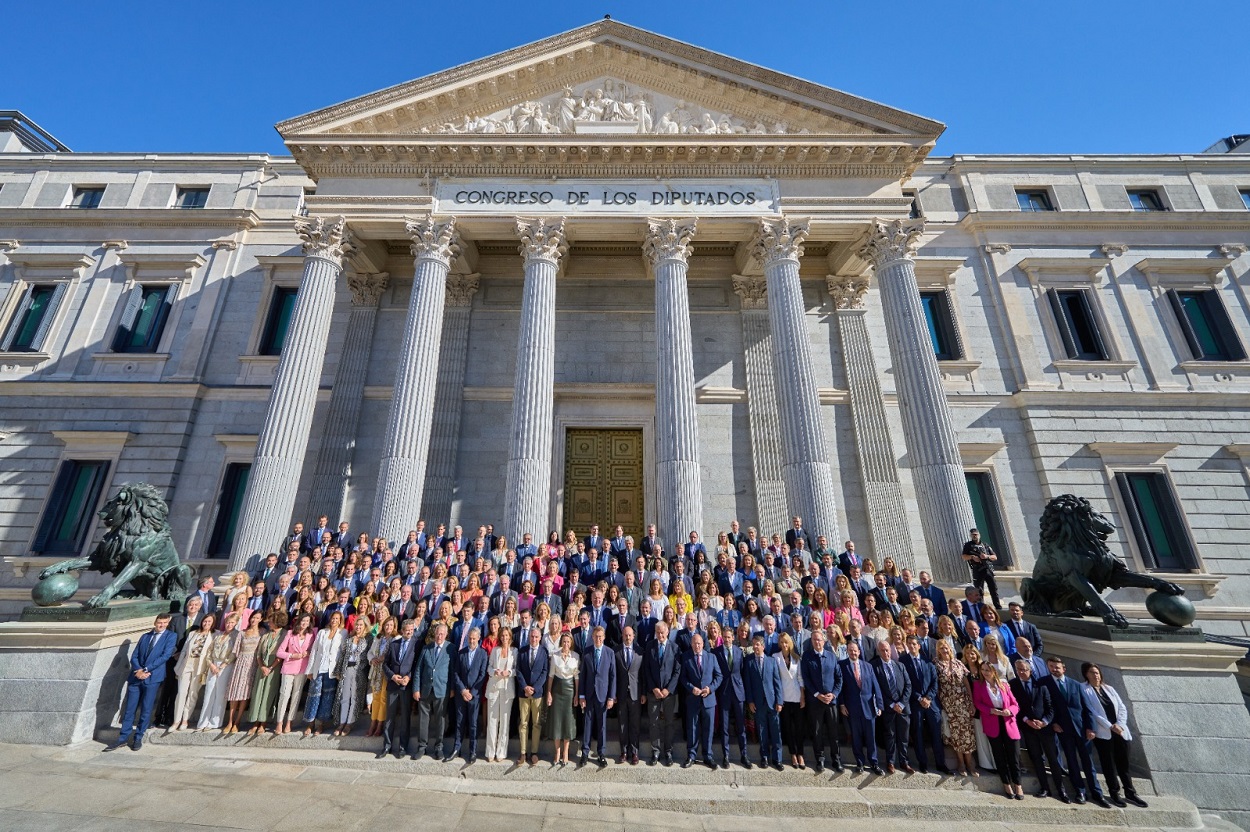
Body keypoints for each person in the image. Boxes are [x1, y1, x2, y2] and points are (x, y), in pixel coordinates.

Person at [105, 613, 177, 752]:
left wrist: (147, 669)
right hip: (136, 677)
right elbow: (135, 655)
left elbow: (165, 656)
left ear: (167, 623)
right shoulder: (145, 636)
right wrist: (138, 670)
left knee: (146, 708)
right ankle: (123, 737)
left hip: (152, 677)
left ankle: (138, 736)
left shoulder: (170, 636)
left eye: (164, 623)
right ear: (155, 622)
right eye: (159, 622)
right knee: (130, 708)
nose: (161, 625)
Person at [1081, 662, 1147, 808]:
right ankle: (1114, 793)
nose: (1095, 675)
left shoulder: (1109, 688)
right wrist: (1110, 726)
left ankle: (1130, 792)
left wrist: (1120, 724)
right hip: (1104, 733)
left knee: (1124, 764)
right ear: (1086, 674)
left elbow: (1122, 707)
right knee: (1109, 765)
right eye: (1092, 672)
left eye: (1097, 672)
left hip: (1120, 731)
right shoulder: (1084, 689)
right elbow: (1093, 712)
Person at [1042, 655, 1104, 806]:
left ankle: (1097, 793)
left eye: (1057, 667)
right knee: (1072, 761)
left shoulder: (1075, 685)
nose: (1054, 670)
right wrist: (1053, 723)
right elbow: (1045, 707)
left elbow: (1087, 708)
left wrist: (1091, 728)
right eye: (1051, 667)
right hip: (1063, 730)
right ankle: (1080, 791)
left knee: (1088, 763)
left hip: (1082, 729)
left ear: (1064, 668)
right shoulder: (1044, 683)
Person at [1010, 659, 1068, 802]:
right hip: (1028, 728)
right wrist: (1027, 721)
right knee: (1036, 758)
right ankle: (1045, 788)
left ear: (1030, 670)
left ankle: (1061, 790)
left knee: (1053, 759)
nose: (1021, 672)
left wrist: (1044, 722)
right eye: (1018, 670)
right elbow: (1015, 707)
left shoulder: (1041, 685)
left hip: (1045, 728)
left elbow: (1050, 707)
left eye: (1024, 669)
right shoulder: (1013, 685)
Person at [972, 662, 1023, 800]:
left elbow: (1015, 704)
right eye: (983, 670)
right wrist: (990, 710)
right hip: (992, 721)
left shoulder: (1004, 685)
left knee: (1014, 755)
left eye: (988, 670)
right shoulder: (978, 685)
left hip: (1008, 722)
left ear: (994, 671)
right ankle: (1006, 783)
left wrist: (1009, 711)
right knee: (999, 755)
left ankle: (1018, 784)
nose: (985, 672)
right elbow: (977, 703)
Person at [900, 634, 947, 774]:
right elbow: (905, 683)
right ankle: (923, 763)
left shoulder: (928, 661)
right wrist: (920, 698)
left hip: (931, 703)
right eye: (909, 644)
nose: (912, 646)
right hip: (915, 703)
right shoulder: (903, 661)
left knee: (936, 733)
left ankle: (940, 763)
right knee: (918, 733)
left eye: (914, 644)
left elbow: (934, 682)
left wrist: (928, 697)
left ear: (919, 646)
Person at [799, 628, 843, 773]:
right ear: (811, 642)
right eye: (814, 640)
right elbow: (806, 678)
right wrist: (817, 694)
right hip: (815, 701)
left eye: (819, 640)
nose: (817, 642)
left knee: (833, 731)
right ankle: (820, 759)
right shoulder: (807, 656)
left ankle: (836, 759)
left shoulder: (831, 656)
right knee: (817, 731)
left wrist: (834, 694)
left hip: (831, 701)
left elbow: (839, 678)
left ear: (824, 641)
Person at [934, 639, 977, 777]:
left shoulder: (959, 663)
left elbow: (966, 683)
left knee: (967, 734)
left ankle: (970, 763)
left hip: (963, 703)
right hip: (949, 705)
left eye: (946, 648)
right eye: (941, 648)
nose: (945, 650)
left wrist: (971, 702)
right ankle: (961, 763)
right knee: (956, 734)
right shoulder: (937, 664)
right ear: (938, 651)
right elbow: (938, 686)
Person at [839, 640, 882, 774]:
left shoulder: (868, 666)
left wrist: (879, 705)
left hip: (869, 707)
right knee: (856, 737)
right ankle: (860, 762)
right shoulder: (842, 665)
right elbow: (840, 687)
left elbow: (876, 686)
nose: (853, 652)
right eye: (850, 650)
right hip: (852, 708)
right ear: (847, 651)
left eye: (855, 650)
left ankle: (874, 763)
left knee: (871, 737)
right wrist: (841, 704)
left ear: (859, 651)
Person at [742, 632, 783, 770]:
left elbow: (777, 682)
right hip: (758, 702)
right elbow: (747, 683)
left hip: (772, 701)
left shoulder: (772, 661)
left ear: (763, 646)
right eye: (753, 645)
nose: (755, 647)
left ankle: (777, 759)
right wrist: (750, 701)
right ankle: (764, 756)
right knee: (762, 730)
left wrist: (779, 701)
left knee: (776, 731)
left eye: (757, 645)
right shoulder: (749, 661)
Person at [379, 617, 418, 759]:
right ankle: (387, 746)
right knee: (389, 717)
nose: (409, 633)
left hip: (406, 686)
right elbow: (385, 664)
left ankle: (403, 747)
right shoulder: (394, 644)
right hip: (393, 684)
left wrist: (408, 677)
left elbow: (417, 664)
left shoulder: (416, 644)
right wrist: (393, 676)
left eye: (411, 631)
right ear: (402, 630)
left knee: (405, 718)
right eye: (406, 630)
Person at [681, 632, 721, 769]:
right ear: (691, 644)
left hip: (708, 700)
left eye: (699, 643)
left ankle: (708, 756)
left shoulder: (711, 657)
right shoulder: (686, 657)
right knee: (692, 728)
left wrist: (710, 689)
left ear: (703, 644)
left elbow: (719, 676)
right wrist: (691, 688)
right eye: (694, 643)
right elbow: (683, 678)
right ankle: (691, 755)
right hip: (693, 699)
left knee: (708, 729)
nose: (697, 646)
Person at [578, 625, 616, 766]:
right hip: (588, 694)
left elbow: (613, 676)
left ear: (604, 637)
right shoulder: (587, 652)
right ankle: (585, 753)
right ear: (592, 637)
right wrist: (581, 695)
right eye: (596, 636)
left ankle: (601, 754)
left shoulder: (609, 653)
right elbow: (583, 676)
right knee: (587, 724)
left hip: (603, 695)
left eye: (600, 636)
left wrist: (611, 697)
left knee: (602, 726)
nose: (598, 639)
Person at [872, 639, 912, 773]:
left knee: (904, 736)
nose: (886, 653)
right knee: (890, 735)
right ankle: (890, 762)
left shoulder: (899, 666)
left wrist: (901, 703)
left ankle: (904, 761)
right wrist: (891, 704)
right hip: (888, 708)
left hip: (903, 707)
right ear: (879, 652)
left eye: (887, 650)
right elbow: (877, 688)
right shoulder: (875, 667)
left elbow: (908, 685)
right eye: (882, 650)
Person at [303, 610, 345, 736]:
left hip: (331, 671)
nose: (334, 621)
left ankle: (320, 725)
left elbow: (341, 654)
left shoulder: (343, 634)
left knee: (327, 698)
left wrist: (338, 671)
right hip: (318, 668)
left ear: (340, 621)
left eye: (337, 619)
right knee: (313, 695)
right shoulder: (322, 632)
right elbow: (315, 651)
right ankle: (310, 723)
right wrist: (309, 670)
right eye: (333, 618)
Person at [414, 622, 452, 760]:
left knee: (440, 720)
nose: (439, 636)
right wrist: (416, 689)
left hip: (442, 689)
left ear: (446, 635)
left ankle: (439, 747)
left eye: (442, 634)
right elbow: (418, 669)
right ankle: (422, 747)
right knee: (423, 719)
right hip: (425, 689)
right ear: (434, 634)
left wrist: (452, 689)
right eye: (437, 633)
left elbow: (453, 671)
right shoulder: (426, 648)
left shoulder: (450, 649)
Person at [644, 621, 681, 766]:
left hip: (669, 693)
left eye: (662, 632)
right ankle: (656, 751)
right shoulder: (650, 646)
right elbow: (646, 669)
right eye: (658, 632)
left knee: (669, 723)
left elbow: (677, 670)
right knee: (653, 723)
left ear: (667, 632)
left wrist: (668, 689)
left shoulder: (675, 647)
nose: (660, 635)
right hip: (654, 692)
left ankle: (668, 751)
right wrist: (654, 688)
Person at [712, 625, 749, 768]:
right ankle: (725, 755)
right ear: (722, 637)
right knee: (725, 727)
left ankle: (744, 755)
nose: (727, 639)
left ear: (733, 637)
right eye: (725, 637)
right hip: (724, 693)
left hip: (738, 692)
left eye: (729, 637)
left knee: (741, 726)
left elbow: (742, 672)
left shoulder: (739, 652)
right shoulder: (716, 652)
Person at [451, 626, 488, 763]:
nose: (471, 641)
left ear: (479, 638)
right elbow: (456, 673)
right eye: (470, 638)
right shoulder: (461, 653)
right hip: (462, 694)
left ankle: (473, 751)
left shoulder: (483, 654)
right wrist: (462, 690)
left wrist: (472, 692)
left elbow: (482, 674)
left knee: (473, 724)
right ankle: (457, 749)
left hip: (474, 694)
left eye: (474, 638)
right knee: (460, 722)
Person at [197, 612, 239, 731]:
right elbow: (209, 651)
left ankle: (214, 722)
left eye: (231, 622)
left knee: (220, 694)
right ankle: (203, 721)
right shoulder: (219, 635)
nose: (229, 625)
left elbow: (233, 653)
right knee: (209, 693)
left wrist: (222, 666)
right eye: (227, 622)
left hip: (226, 665)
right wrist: (211, 664)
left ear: (235, 623)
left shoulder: (236, 636)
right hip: (213, 664)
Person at [274, 613, 315, 735]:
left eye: (307, 621)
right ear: (299, 621)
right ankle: (279, 722)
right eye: (303, 620)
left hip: (302, 668)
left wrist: (308, 652)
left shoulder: (311, 635)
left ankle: (289, 721)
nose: (305, 623)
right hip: (288, 667)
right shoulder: (290, 634)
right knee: (284, 694)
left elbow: (314, 649)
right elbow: (279, 652)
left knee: (296, 695)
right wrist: (292, 655)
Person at [247, 610, 286, 735]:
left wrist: (270, 667)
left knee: (268, 694)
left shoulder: (284, 635)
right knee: (258, 693)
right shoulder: (265, 635)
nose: (269, 623)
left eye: (271, 621)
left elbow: (281, 653)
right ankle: (255, 722)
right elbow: (258, 653)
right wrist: (262, 666)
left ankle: (263, 723)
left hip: (275, 667)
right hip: (262, 666)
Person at [333, 615, 373, 736]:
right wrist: (338, 671)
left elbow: (369, 655)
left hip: (359, 671)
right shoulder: (349, 639)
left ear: (365, 626)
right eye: (357, 625)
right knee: (344, 697)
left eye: (361, 625)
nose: (358, 627)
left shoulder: (368, 639)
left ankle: (349, 723)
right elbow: (342, 655)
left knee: (355, 698)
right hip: (346, 670)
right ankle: (342, 722)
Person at [224, 612, 262, 734]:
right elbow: (235, 651)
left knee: (245, 693)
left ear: (261, 620)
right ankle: (230, 721)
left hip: (253, 664)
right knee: (234, 692)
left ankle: (237, 721)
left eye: (257, 618)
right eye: (252, 618)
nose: (254, 620)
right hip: (240, 662)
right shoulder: (242, 632)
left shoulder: (262, 634)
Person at [516, 625, 549, 766]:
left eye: (536, 636)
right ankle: (523, 753)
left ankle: (534, 752)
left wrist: (534, 688)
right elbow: (518, 670)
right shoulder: (522, 651)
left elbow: (544, 671)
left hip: (537, 693)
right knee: (523, 723)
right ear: (529, 637)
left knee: (536, 723)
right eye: (532, 636)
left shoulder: (544, 651)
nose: (534, 639)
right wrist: (525, 687)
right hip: (523, 693)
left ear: (540, 637)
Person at [547, 631, 580, 767]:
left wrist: (577, 694)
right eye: (564, 641)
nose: (566, 644)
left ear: (571, 643)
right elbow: (551, 676)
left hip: (569, 690)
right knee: (557, 721)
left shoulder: (576, 656)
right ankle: (557, 751)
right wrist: (549, 693)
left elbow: (576, 677)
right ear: (561, 642)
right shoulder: (555, 656)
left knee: (567, 721)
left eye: (568, 642)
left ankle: (566, 752)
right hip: (557, 689)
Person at [484, 627, 517, 763]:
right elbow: (489, 667)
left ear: (510, 637)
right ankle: (490, 751)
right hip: (494, 688)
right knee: (492, 721)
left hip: (507, 689)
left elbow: (516, 669)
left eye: (506, 635)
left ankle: (501, 751)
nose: (504, 638)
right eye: (502, 635)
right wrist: (494, 672)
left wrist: (509, 672)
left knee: (504, 722)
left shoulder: (514, 651)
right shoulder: (495, 651)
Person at [775, 632, 805, 769]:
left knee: (799, 727)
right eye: (781, 642)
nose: (784, 645)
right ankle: (793, 753)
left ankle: (800, 754)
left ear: (790, 643)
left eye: (786, 642)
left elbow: (800, 678)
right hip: (784, 698)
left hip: (797, 696)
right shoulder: (775, 658)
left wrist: (803, 696)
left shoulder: (796, 658)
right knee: (787, 727)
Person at [615, 625, 645, 765]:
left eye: (630, 635)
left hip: (635, 693)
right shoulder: (616, 651)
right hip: (621, 693)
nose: (627, 638)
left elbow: (643, 675)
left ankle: (635, 752)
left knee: (634, 724)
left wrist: (644, 693)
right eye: (625, 635)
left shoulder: (640, 651)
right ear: (622, 636)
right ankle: (624, 751)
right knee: (622, 724)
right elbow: (613, 675)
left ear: (634, 636)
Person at [365, 617, 398, 738]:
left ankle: (380, 724)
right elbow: (370, 652)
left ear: (394, 626)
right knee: (376, 697)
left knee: (383, 698)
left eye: (390, 625)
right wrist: (372, 659)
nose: (388, 627)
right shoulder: (379, 638)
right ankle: (373, 722)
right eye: (386, 625)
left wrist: (385, 657)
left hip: (386, 672)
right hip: (376, 671)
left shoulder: (396, 639)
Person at [961, 528, 1001, 610]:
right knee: (979, 590)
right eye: (973, 535)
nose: (974, 536)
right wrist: (972, 557)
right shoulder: (968, 545)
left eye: (976, 534)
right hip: (978, 570)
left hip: (988, 569)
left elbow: (995, 557)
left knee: (993, 589)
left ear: (979, 535)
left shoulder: (985, 545)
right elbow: (964, 556)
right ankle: (980, 608)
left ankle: (998, 606)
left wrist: (987, 556)